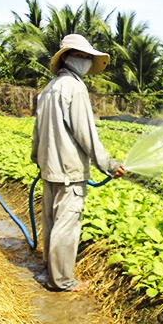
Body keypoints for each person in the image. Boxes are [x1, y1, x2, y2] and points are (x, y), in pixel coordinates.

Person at [32, 34, 126, 292]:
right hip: (69, 170)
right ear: (65, 57)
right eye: (79, 55)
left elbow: (37, 132)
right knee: (67, 225)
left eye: (87, 57)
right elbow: (86, 134)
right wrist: (108, 164)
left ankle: (51, 271)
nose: (84, 61)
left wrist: (37, 160)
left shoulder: (49, 88)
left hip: (50, 168)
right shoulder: (75, 88)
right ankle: (61, 281)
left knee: (51, 221)